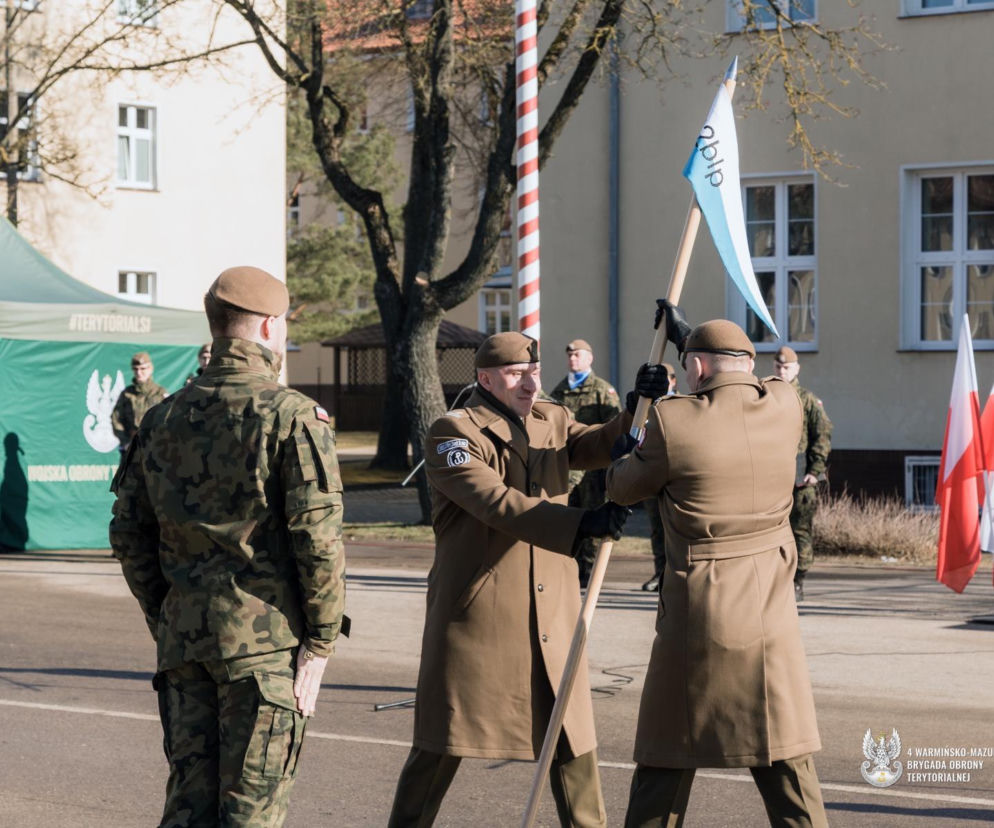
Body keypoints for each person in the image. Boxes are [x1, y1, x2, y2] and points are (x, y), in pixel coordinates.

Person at [388, 331, 669, 828]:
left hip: (553, 611)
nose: (530, 383)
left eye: (534, 372)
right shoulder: (452, 433)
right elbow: (495, 502)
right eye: (516, 374)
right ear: (485, 378)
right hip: (482, 615)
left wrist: (636, 408)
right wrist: (581, 523)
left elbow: (597, 443)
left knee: (571, 737)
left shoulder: (550, 417)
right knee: (443, 739)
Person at [109, 266, 347, 827]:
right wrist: (320, 643)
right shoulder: (292, 416)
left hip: (185, 643)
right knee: (250, 813)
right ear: (268, 326)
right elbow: (317, 540)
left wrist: (169, 614)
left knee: (187, 808)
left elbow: (128, 533)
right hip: (263, 652)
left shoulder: (162, 417)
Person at [606, 302, 827, 828]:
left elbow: (621, 486)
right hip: (770, 613)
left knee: (666, 757)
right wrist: (688, 338)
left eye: (689, 366)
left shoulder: (672, 421)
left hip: (699, 615)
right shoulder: (786, 404)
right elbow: (744, 374)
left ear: (699, 367)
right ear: (749, 364)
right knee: (784, 759)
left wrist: (637, 419)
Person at [549, 338, 623, 587]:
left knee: (593, 518)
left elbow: (614, 429)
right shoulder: (560, 391)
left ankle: (589, 574)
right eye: (569, 355)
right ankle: (570, 570)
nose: (572, 359)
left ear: (589, 358)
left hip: (594, 469)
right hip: (569, 469)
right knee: (569, 518)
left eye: (577, 355)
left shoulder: (602, 390)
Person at [773, 346, 833, 601]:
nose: (782, 371)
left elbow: (822, 435)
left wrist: (815, 470)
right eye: (778, 367)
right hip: (774, 477)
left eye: (786, 367)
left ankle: (798, 581)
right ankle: (776, 580)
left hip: (801, 479)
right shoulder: (768, 397)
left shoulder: (807, 400)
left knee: (800, 531)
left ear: (796, 369)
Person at [641, 362, 677, 592]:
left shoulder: (682, 404)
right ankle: (660, 573)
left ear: (673, 381)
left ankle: (675, 574)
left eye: (664, 379)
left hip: (674, 478)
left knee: (676, 529)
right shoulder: (644, 406)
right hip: (651, 476)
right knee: (657, 529)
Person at [111, 351, 167, 452]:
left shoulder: (160, 393)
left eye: (143, 368)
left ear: (150, 369)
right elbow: (116, 419)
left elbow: (168, 420)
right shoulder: (127, 394)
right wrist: (126, 442)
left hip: (155, 447)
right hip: (132, 446)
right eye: (135, 369)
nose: (139, 372)